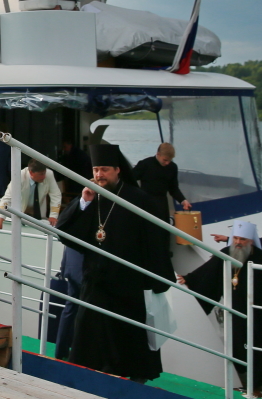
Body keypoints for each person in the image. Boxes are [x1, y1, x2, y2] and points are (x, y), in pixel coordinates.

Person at [56, 144, 168, 383]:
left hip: (128, 281)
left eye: (104, 170)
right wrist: (84, 201)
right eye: (96, 170)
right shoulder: (91, 195)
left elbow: (155, 241)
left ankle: (136, 379)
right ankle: (87, 379)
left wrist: (155, 279)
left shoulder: (139, 200)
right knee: (87, 327)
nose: (99, 175)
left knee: (128, 333)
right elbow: (65, 231)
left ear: (117, 170)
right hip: (96, 279)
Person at [177, 221, 262, 390]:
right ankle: (242, 378)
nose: (238, 242)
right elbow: (209, 270)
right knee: (236, 342)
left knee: (256, 345)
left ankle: (259, 381)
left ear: (251, 241)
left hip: (255, 310)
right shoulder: (227, 253)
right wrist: (190, 278)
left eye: (242, 239)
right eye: (235, 238)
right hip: (234, 307)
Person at [54, 189, 87, 361]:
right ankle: (72, 355)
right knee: (79, 310)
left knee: (71, 309)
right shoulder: (82, 205)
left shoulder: (78, 205)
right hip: (80, 269)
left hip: (73, 266)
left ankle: (64, 353)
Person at [0, 159, 61, 233]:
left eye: (44, 173)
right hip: (21, 217)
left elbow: (56, 195)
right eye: (41, 174)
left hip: (40, 218)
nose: (44, 176)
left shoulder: (49, 174)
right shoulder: (19, 177)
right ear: (31, 173)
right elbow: (7, 199)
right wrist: (0, 221)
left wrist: (53, 216)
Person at [133, 142, 192, 211]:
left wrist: (183, 200)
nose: (167, 163)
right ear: (158, 154)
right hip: (145, 203)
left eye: (170, 160)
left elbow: (173, 188)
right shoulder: (145, 164)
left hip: (162, 204)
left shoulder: (172, 167)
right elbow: (130, 178)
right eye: (165, 160)